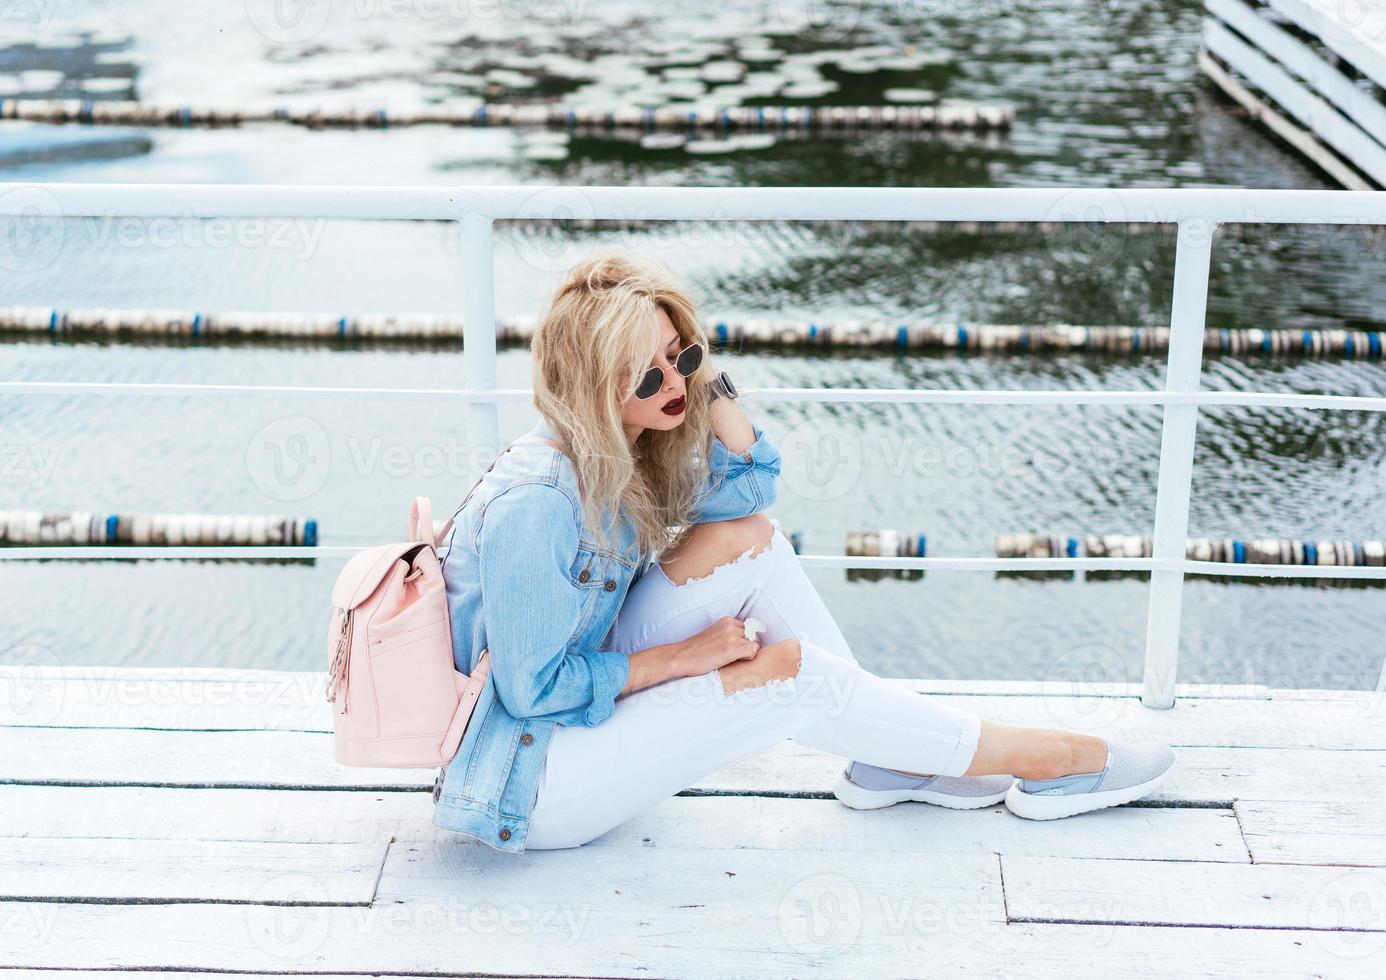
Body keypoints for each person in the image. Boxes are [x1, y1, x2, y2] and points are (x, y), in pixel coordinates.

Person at [430, 249, 1176, 853]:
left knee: (751, 544)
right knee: (783, 674)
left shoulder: (618, 456)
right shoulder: (538, 504)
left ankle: (895, 754)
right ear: (594, 389)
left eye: (678, 355)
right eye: (648, 375)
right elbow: (533, 692)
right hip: (533, 781)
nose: (674, 383)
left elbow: (750, 492)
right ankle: (1042, 757)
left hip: (572, 719)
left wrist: (709, 382)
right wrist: (687, 657)